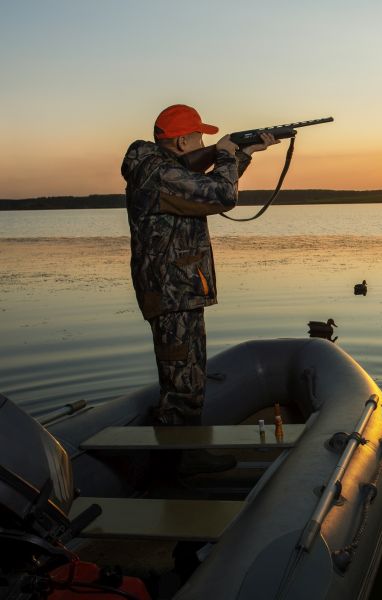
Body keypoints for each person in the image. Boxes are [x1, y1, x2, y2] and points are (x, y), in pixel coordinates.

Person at [121, 104, 278, 475]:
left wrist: (244, 155)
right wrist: (225, 154)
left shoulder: (162, 170)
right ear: (181, 141)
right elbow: (222, 196)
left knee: (187, 374)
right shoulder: (159, 173)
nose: (204, 141)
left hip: (178, 287)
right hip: (172, 290)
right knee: (182, 381)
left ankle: (182, 453)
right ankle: (179, 463)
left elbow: (204, 191)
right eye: (200, 137)